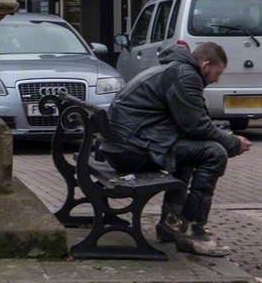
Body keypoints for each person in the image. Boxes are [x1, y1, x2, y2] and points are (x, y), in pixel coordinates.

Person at [106, 42, 250, 257]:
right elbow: (196, 126)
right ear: (205, 64)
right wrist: (233, 143)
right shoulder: (185, 76)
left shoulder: (175, 70)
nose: (215, 79)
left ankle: (171, 224)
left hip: (126, 145)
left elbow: (191, 125)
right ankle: (192, 229)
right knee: (214, 154)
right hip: (133, 150)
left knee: (192, 152)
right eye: (217, 73)